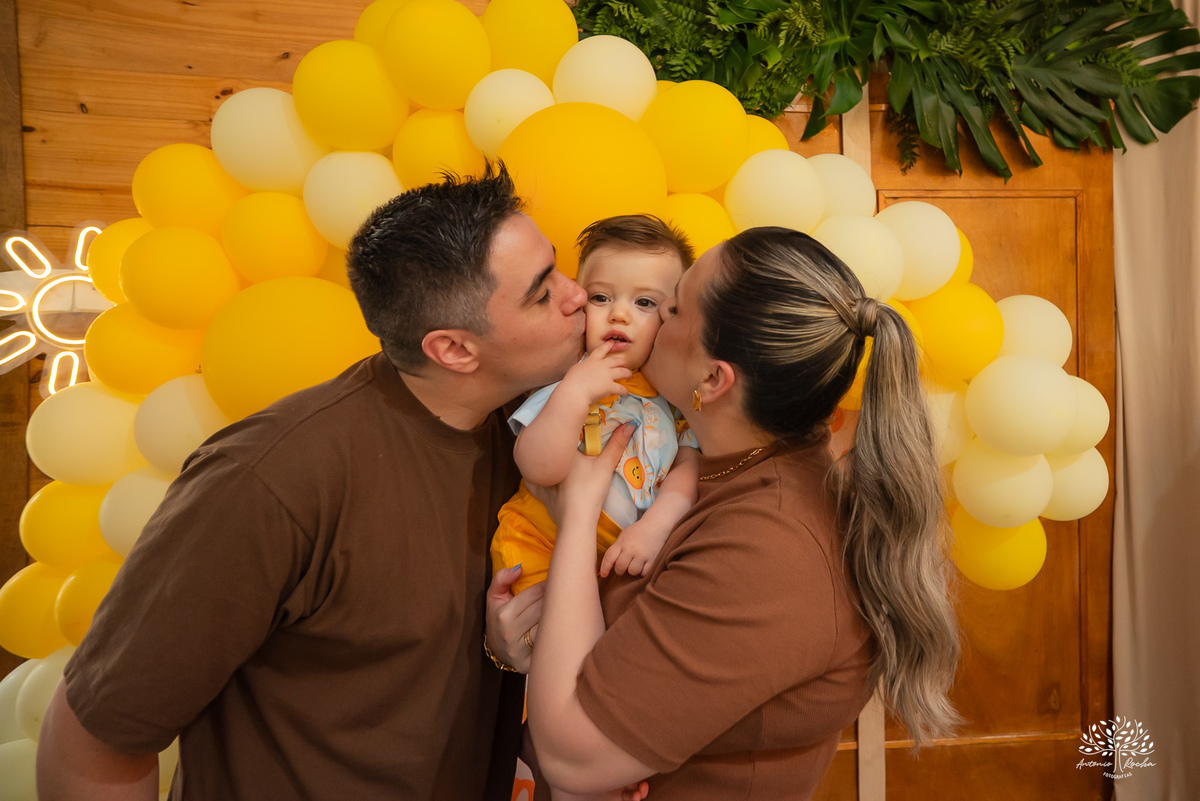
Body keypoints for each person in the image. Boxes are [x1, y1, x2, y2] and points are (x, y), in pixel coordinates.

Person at [36, 163, 583, 801]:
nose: (579, 295)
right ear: (455, 350)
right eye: (543, 293)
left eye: (559, 267)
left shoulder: (535, 433)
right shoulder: (272, 479)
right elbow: (96, 739)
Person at [524, 227, 961, 800]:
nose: (643, 320)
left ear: (713, 379)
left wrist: (577, 515)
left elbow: (572, 756)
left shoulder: (770, 551)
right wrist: (515, 643)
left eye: (672, 307)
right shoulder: (711, 463)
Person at [491, 215, 700, 595]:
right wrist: (574, 393)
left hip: (622, 553)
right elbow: (537, 466)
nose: (619, 313)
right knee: (544, 634)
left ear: (672, 316)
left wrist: (656, 526)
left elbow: (688, 467)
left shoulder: (673, 393)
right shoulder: (568, 375)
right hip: (541, 541)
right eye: (601, 297)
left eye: (644, 302)